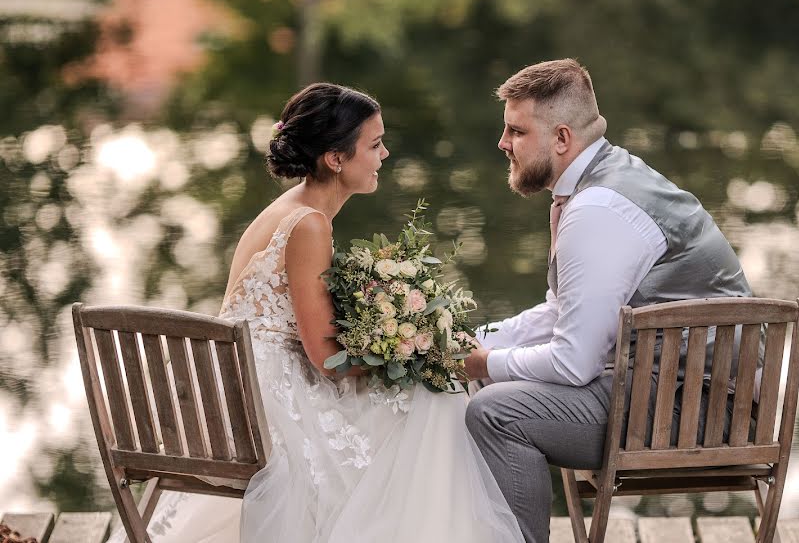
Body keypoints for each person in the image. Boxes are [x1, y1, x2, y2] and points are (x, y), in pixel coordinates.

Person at [110, 83, 524, 543]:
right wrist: (412, 352)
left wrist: (400, 340)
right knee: (436, 397)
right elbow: (325, 360)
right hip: (265, 406)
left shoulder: (295, 211)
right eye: (374, 144)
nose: (384, 154)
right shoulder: (307, 224)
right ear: (335, 158)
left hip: (243, 388)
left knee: (427, 396)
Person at [463, 59, 753, 543]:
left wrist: (481, 363)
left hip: (693, 410)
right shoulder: (605, 179)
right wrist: (469, 340)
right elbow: (562, 312)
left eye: (515, 131)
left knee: (494, 411)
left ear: (560, 139)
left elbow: (574, 362)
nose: (502, 143)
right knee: (488, 386)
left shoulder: (598, 209)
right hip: (671, 392)